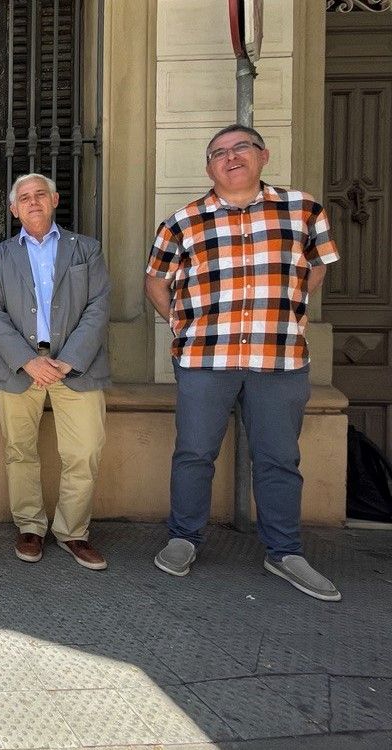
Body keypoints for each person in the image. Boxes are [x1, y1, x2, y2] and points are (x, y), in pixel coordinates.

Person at [145, 124, 342, 601]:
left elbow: (316, 268)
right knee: (194, 452)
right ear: (208, 166)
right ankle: (184, 538)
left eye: (240, 148)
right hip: (204, 356)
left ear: (262, 155)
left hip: (278, 356)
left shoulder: (302, 210)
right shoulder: (183, 221)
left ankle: (285, 551)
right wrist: (181, 324)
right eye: (218, 153)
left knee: (278, 457)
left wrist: (288, 306)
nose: (230, 158)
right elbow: (155, 280)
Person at [0, 173, 112, 570]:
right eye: (24, 197)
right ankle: (30, 526)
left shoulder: (86, 249)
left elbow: (99, 305)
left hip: (77, 367)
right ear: (13, 208)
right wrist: (27, 359)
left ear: (54, 199)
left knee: (84, 451)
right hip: (20, 367)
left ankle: (73, 531)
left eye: (40, 194)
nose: (33, 201)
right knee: (19, 450)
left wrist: (68, 359)